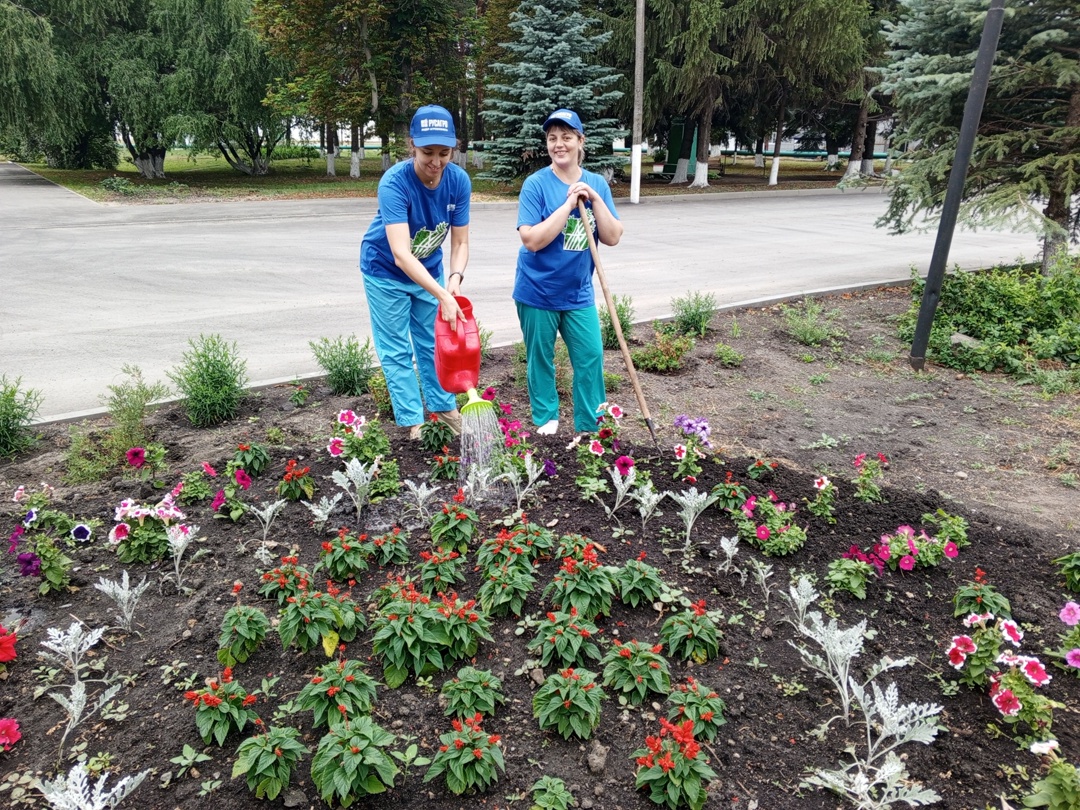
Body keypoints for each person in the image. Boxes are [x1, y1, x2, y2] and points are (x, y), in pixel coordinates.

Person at [360, 104, 469, 440]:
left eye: (444, 152)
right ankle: (412, 421)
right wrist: (441, 295)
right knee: (396, 349)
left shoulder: (458, 181)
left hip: (430, 271)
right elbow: (400, 253)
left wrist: (452, 283)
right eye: (427, 152)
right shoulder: (395, 182)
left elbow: (460, 243)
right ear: (412, 145)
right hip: (385, 271)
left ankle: (443, 406)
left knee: (433, 344)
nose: (435, 162)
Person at [514, 109, 623, 435]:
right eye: (552, 138)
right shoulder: (535, 185)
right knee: (541, 359)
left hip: (578, 292)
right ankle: (546, 418)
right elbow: (531, 239)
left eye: (566, 137)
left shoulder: (597, 184)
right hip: (537, 290)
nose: (558, 144)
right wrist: (567, 205)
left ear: (580, 141)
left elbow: (613, 236)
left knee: (590, 357)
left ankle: (591, 425)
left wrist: (594, 200)